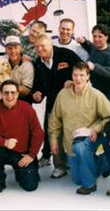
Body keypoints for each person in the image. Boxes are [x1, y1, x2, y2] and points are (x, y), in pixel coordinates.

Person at [49, 62, 110, 194]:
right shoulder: (63, 95)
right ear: (71, 76)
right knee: (77, 179)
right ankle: (104, 162)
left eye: (82, 75)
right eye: (75, 75)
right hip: (70, 143)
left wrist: (95, 129)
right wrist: (54, 141)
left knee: (80, 148)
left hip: (90, 139)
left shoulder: (96, 95)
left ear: (88, 77)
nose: (78, 78)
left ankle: (89, 185)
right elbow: (54, 121)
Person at [32, 33, 83, 178]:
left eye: (43, 45)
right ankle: (60, 165)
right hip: (52, 104)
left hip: (73, 103)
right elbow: (38, 85)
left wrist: (73, 81)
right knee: (53, 133)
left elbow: (83, 69)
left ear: (51, 45)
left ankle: (76, 162)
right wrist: (37, 94)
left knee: (73, 132)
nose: (40, 49)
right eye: (37, 47)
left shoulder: (66, 54)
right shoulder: (38, 63)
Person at [0, 79, 44, 193]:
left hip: (22, 153)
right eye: (6, 93)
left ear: (17, 94)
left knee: (30, 186)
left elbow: (38, 133)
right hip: (4, 151)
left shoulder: (27, 109)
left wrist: (31, 155)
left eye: (13, 92)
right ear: (1, 94)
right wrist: (4, 142)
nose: (9, 96)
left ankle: (21, 172)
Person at [77, 24, 110, 108]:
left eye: (100, 36)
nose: (96, 39)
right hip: (96, 89)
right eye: (94, 36)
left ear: (106, 37)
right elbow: (90, 46)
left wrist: (94, 67)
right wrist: (83, 41)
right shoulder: (95, 47)